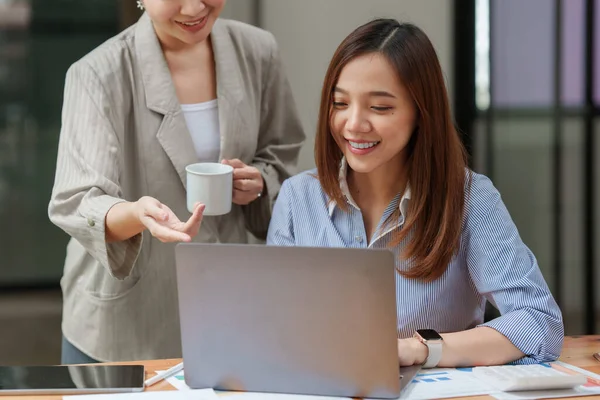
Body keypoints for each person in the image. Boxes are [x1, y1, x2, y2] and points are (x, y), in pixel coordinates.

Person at [266, 19, 563, 367]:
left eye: (380, 107)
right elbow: (273, 326)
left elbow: (539, 321)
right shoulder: (298, 197)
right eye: (340, 103)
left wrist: (419, 350)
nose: (354, 124)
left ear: (421, 113)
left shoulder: (470, 199)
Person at [48, 0, 305, 364]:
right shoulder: (96, 74)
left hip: (231, 312)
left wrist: (259, 182)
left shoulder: (259, 52)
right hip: (128, 325)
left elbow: (283, 155)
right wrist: (136, 213)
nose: (194, 7)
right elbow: (76, 201)